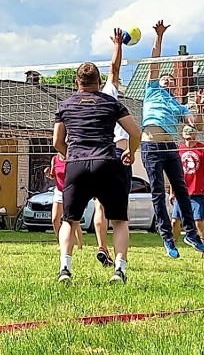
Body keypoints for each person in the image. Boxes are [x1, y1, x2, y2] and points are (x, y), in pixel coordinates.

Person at [53, 61, 141, 284]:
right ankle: (119, 270)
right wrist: (130, 152)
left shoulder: (65, 105)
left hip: (77, 164)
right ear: (99, 82)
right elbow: (135, 132)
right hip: (107, 162)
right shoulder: (111, 103)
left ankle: (65, 268)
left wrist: (68, 154)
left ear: (77, 82)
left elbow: (56, 141)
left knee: (69, 220)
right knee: (119, 220)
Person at [141, 20, 204, 259]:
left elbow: (195, 125)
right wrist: (159, 37)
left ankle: (190, 233)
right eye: (164, 79)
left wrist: (198, 108)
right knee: (158, 192)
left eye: (171, 80)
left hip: (170, 147)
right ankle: (168, 239)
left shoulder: (176, 104)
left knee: (181, 190)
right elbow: (154, 62)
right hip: (150, 145)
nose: (167, 80)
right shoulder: (151, 90)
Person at [90, 28, 135, 268]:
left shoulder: (82, 102)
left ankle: (101, 246)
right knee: (118, 212)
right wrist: (118, 45)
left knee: (99, 205)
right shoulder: (109, 95)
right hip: (118, 154)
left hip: (96, 156)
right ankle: (120, 261)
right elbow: (114, 69)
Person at [170, 125, 204, 260]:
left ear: (195, 135)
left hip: (197, 193)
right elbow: (173, 173)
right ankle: (172, 249)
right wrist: (171, 192)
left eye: (191, 135)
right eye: (186, 135)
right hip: (181, 192)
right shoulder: (178, 150)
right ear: (182, 135)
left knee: (198, 223)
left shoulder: (203, 149)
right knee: (175, 222)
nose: (189, 138)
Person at [44, 153, 83, 249]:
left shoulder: (72, 157)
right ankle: (61, 242)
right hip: (59, 191)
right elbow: (53, 175)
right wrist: (48, 173)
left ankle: (80, 246)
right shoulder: (55, 159)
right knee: (55, 219)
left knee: (73, 220)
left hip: (70, 191)